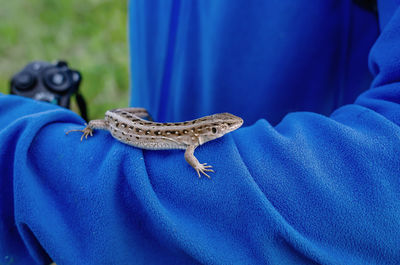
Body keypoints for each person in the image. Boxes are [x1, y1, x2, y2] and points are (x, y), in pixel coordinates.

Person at [1, 0, 399, 264]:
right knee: (105, 122)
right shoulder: (192, 138)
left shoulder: (197, 140)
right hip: (129, 129)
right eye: (226, 126)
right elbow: (180, 149)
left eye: (227, 126)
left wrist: (34, 170)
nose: (231, 128)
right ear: (213, 128)